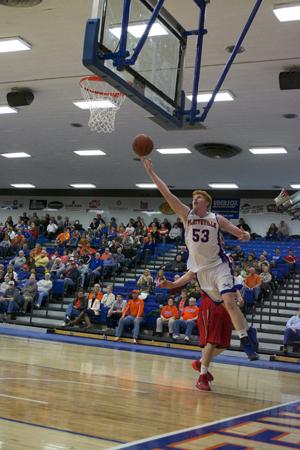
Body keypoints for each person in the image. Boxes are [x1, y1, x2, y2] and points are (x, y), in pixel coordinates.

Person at [141, 157, 258, 359]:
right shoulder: (187, 216)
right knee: (221, 302)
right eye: (193, 198)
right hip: (201, 270)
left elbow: (238, 232)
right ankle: (238, 337)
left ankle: (245, 339)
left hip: (220, 264)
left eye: (198, 199)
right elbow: (166, 193)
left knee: (229, 301)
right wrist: (151, 173)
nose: (194, 200)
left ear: (207, 203)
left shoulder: (216, 218)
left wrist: (245, 235)